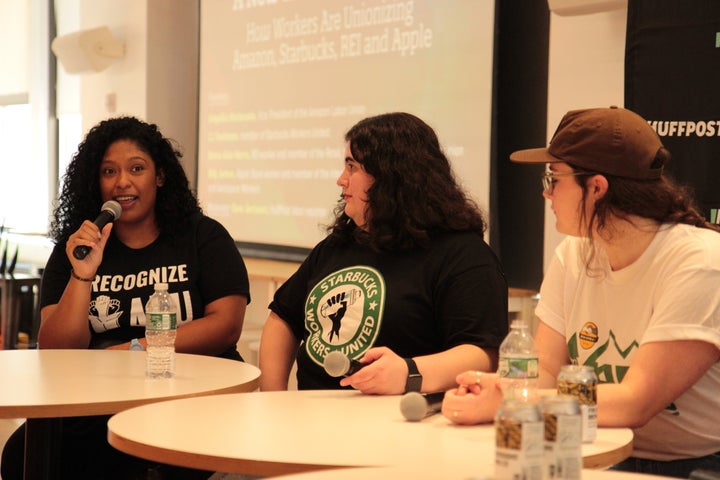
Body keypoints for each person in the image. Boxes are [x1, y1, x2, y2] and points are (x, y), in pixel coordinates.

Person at [441, 106, 720, 478]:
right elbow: (546, 370)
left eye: (553, 179)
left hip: (692, 466)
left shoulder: (700, 262)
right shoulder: (573, 253)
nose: (546, 193)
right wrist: (499, 387)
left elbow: (636, 402)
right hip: (591, 449)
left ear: (597, 187)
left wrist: (512, 400)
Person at [0, 116, 250, 480]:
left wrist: (133, 351)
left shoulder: (201, 236)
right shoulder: (77, 247)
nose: (123, 182)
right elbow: (55, 350)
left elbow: (226, 326)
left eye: (137, 168)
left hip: (189, 396)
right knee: (22, 454)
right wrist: (83, 274)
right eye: (109, 172)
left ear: (159, 177)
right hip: (98, 405)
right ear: (96, 183)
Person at [258, 112, 509, 394]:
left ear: (391, 176)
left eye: (352, 167)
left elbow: (483, 354)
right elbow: (283, 318)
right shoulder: (340, 244)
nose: (341, 180)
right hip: (312, 417)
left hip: (402, 421)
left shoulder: (462, 255)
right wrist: (273, 397)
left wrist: (409, 372)